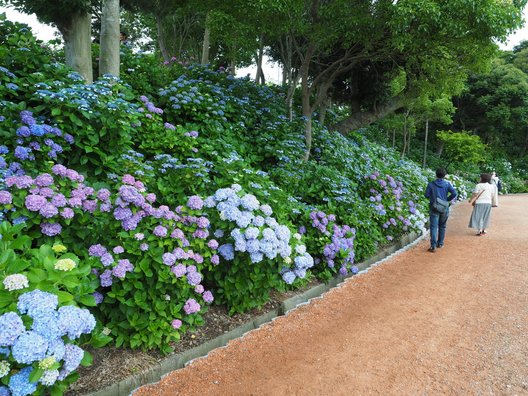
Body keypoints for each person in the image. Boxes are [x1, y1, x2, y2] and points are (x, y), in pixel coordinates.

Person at [425, 168, 458, 252]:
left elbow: (426, 195)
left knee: (433, 227)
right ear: (445, 175)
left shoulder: (431, 184)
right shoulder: (447, 184)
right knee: (442, 226)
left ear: (436, 174)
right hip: (444, 208)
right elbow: (454, 193)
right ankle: (440, 243)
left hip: (434, 207)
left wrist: (433, 198)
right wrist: (446, 199)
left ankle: (433, 246)